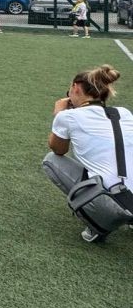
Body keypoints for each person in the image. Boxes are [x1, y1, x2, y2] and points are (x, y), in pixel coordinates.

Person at [43, 65, 133, 243]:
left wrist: (59, 114)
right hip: (130, 196)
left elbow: (58, 149)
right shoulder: (124, 113)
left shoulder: (68, 117)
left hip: (111, 202)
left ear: (75, 87)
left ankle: (96, 222)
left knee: (51, 161)